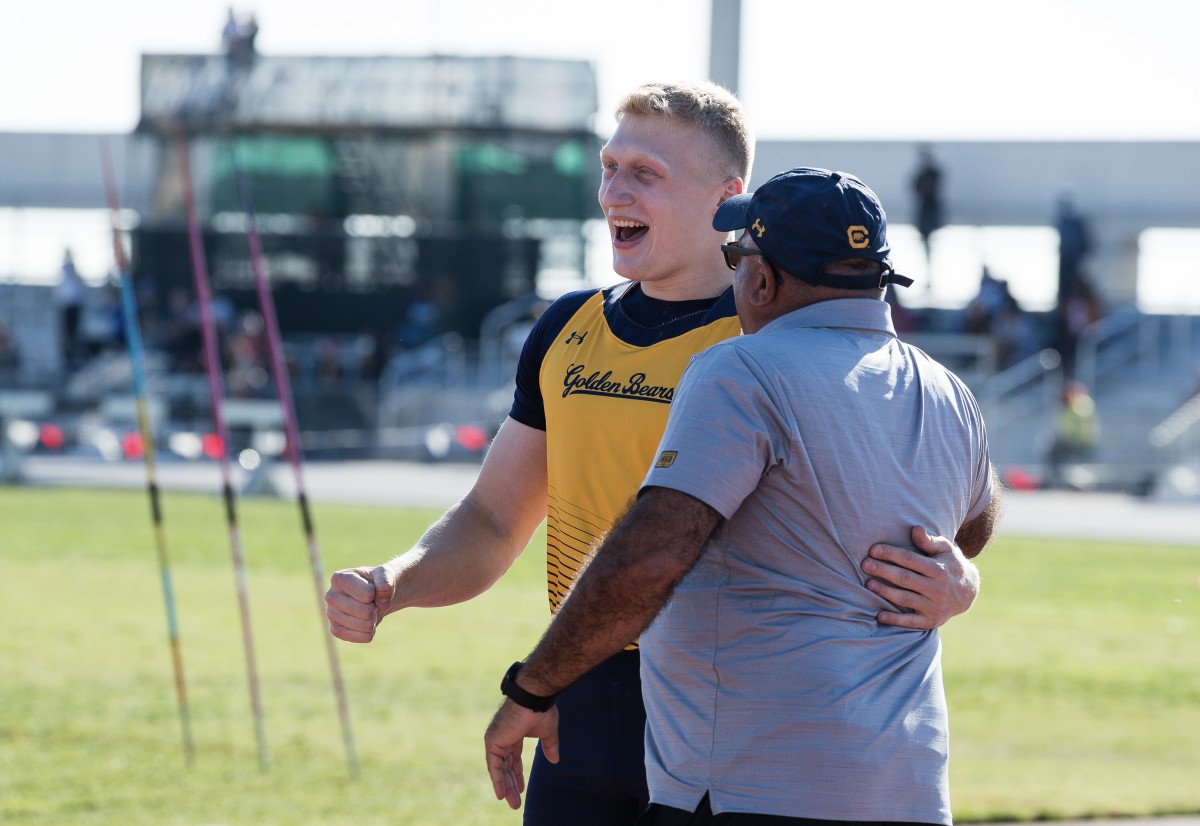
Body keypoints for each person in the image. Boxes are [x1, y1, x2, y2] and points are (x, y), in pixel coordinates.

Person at [326, 84, 983, 825]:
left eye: (645, 172)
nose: (613, 189)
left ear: (728, 198)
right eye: (609, 165)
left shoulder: (777, 340)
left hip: (724, 712)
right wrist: (395, 583)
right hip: (575, 698)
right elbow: (492, 519)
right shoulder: (567, 327)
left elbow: (932, 485)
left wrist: (957, 573)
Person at [484, 167, 1000, 825]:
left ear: (761, 280)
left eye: (737, 256)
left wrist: (532, 687)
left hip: (749, 790)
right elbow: (973, 527)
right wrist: (962, 579)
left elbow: (649, 560)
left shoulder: (741, 369)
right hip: (908, 790)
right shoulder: (946, 389)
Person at [1045, 380, 1100, 488]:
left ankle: (1065, 475)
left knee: (1056, 450)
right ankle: (1059, 475)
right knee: (1051, 448)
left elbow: (1084, 427)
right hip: (1071, 439)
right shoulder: (1068, 408)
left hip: (1081, 441)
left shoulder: (1082, 405)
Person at [911, 144, 944, 263]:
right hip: (925, 209)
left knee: (928, 239)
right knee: (925, 239)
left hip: (930, 209)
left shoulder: (932, 174)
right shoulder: (923, 174)